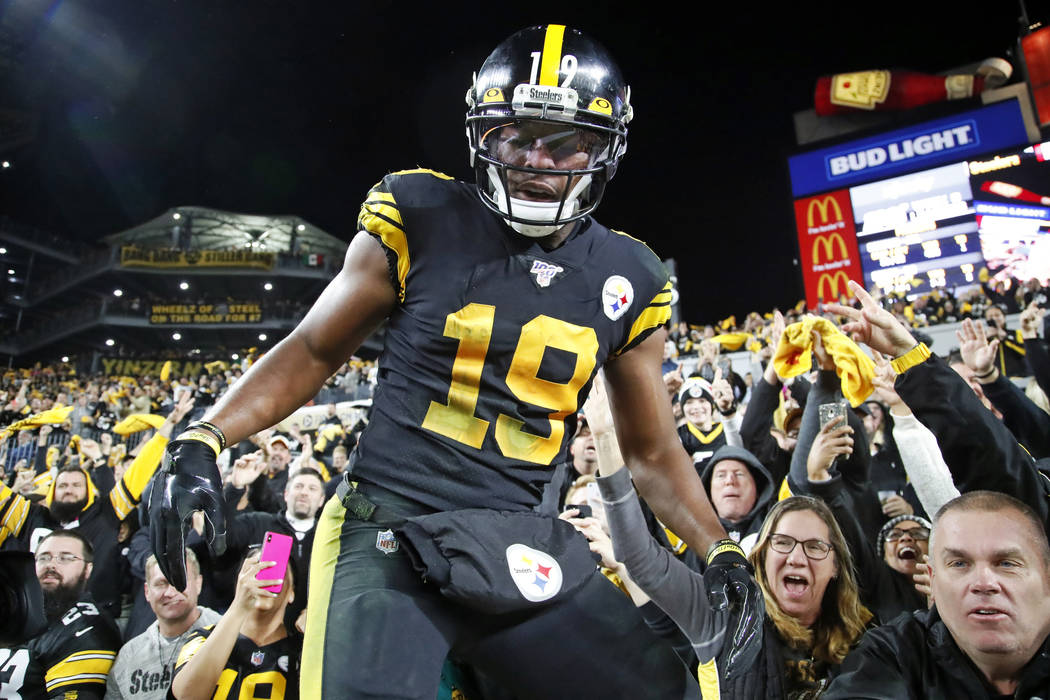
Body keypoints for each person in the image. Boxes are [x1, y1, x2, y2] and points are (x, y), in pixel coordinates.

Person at [149, 24, 761, 699]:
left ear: (605, 148)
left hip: (523, 538)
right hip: (391, 526)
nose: (537, 161)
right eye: (516, 136)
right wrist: (205, 435)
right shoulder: (420, 213)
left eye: (567, 144)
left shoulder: (631, 277)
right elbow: (316, 346)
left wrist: (720, 548)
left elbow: (650, 451)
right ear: (481, 134)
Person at [581, 373, 869, 698]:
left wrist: (824, 382)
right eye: (783, 543)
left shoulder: (868, 631)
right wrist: (605, 437)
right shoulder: (721, 622)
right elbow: (638, 555)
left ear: (836, 565)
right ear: (759, 556)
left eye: (815, 546)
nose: (797, 557)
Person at [825, 491, 1050, 698]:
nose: (983, 583)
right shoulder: (894, 653)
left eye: (1007, 563)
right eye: (959, 563)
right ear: (932, 580)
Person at [0, 530, 121, 699]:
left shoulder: (88, 628)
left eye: (66, 558)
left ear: (88, 569)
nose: (51, 565)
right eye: (43, 557)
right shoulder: (14, 611)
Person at [169, 552, 299, 700]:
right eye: (256, 572)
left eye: (276, 573)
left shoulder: (302, 651)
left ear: (291, 592)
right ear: (240, 583)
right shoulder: (203, 637)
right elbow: (186, 696)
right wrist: (240, 606)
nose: (265, 581)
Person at [105, 552, 222, 700]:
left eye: (180, 581)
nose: (170, 592)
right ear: (147, 592)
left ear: (198, 583)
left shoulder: (227, 635)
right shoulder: (129, 656)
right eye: (161, 584)